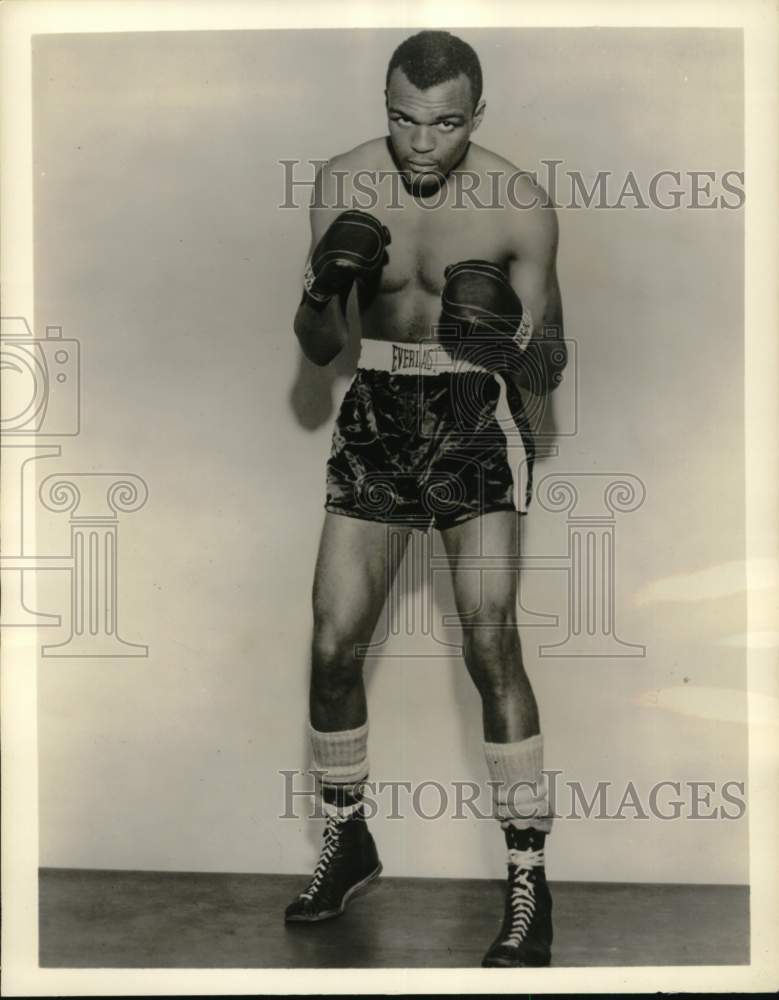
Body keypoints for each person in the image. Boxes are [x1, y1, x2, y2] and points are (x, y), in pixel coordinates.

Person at [285, 29, 567, 968]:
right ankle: (349, 841)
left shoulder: (519, 204)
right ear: (385, 108)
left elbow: (552, 359)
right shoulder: (340, 183)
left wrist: (500, 344)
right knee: (331, 645)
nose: (420, 143)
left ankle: (528, 882)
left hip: (472, 418)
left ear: (475, 118)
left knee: (490, 645)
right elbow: (321, 348)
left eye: (444, 126)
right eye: (403, 120)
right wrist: (327, 284)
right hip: (374, 414)